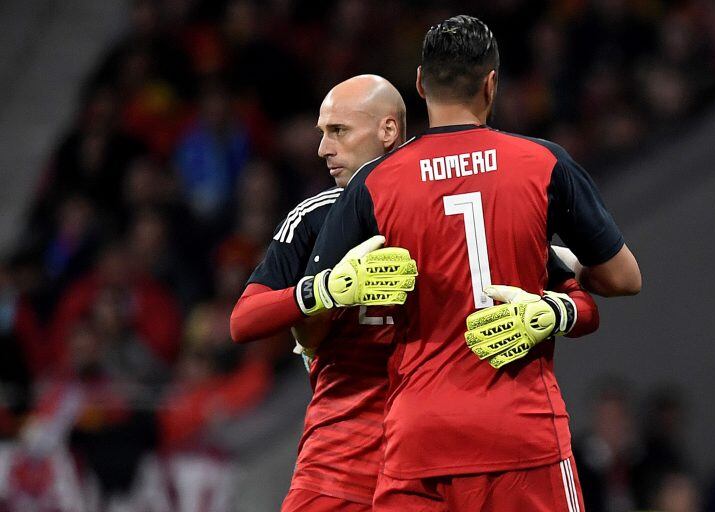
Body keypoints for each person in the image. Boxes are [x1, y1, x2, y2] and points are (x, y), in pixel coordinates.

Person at [303, 15, 641, 511]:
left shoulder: (373, 183)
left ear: (420, 83)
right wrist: (558, 304)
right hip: (523, 432)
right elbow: (624, 278)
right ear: (491, 84)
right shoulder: (543, 163)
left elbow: (309, 329)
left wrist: (338, 289)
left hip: (418, 439)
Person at [231, 74, 600, 511]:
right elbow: (243, 321)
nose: (322, 149)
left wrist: (553, 308)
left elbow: (586, 298)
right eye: (322, 133)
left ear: (388, 131)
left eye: (338, 131)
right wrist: (322, 290)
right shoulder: (315, 216)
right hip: (341, 463)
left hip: (433, 461)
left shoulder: (452, 204)